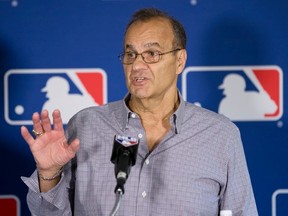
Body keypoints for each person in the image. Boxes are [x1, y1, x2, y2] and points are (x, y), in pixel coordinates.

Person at [21, 8, 258, 215]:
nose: (136, 65)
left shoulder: (220, 135)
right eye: (130, 54)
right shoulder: (85, 126)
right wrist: (49, 174)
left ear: (180, 60)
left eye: (152, 54)